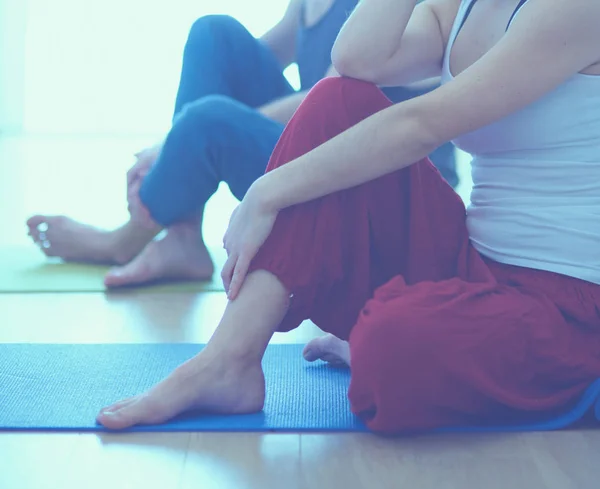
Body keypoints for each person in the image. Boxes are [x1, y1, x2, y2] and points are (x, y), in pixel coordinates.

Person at [95, 0, 600, 434]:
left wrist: (267, 192)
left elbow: (422, 123)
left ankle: (391, 342)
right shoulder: (460, 6)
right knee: (335, 100)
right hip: (469, 258)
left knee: (387, 344)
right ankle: (229, 359)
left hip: (564, 305)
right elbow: (355, 60)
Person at [26, 0, 458, 288]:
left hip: (383, 181)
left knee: (208, 120)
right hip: (325, 152)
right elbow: (264, 50)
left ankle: (127, 239)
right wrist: (178, 139)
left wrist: (186, 137)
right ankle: (182, 235)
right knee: (214, 35)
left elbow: (333, 90)